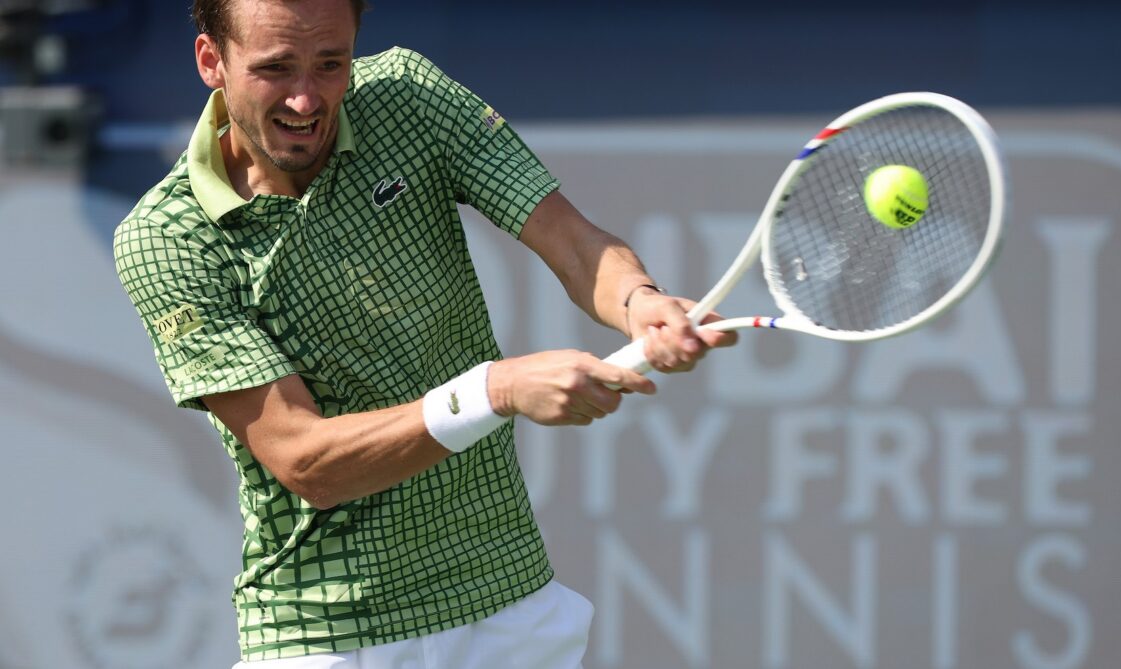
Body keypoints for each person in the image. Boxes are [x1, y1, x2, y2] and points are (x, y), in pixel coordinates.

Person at [112, 0, 736, 666]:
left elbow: (572, 241)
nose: (306, 97)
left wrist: (639, 300)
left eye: (331, 63)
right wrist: (493, 390)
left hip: (508, 600)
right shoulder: (169, 239)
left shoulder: (407, 96)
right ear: (213, 60)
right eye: (275, 69)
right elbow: (305, 459)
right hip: (328, 632)